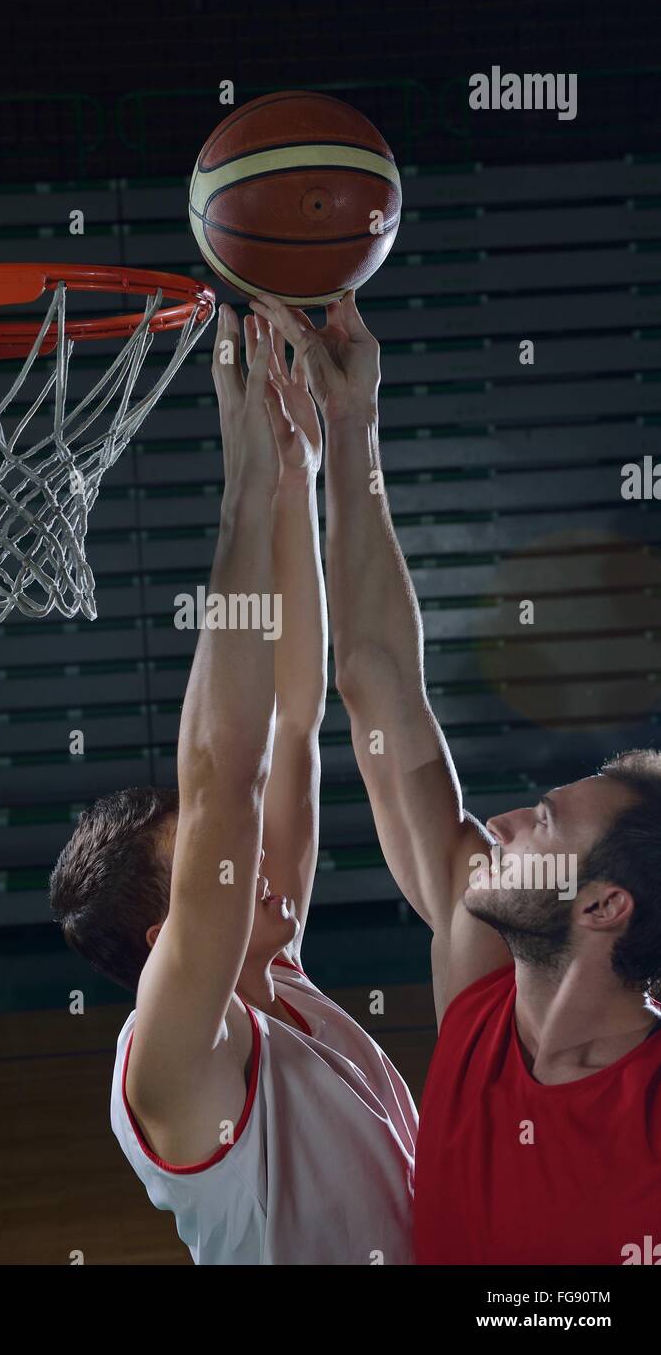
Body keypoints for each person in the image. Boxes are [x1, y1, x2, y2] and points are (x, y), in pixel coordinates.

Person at [250, 288, 661, 1267]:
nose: (506, 822)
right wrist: (348, 430)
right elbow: (376, 680)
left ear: (604, 903)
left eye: (545, 825)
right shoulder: (483, 991)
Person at [50, 305, 416, 1265]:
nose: (262, 868)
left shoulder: (277, 970)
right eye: (218, 867)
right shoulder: (168, 1064)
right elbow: (224, 784)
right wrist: (242, 494)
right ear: (164, 940)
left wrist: (295, 475)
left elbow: (293, 718)